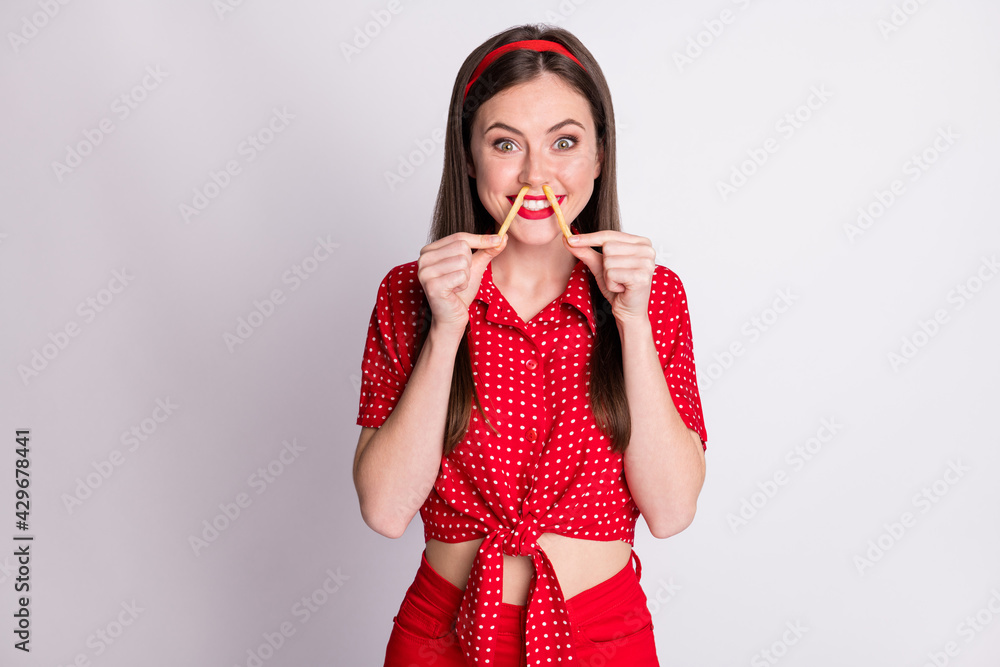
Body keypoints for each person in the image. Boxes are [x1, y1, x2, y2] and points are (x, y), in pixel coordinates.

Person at [353, 23, 707, 667]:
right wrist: (446, 330)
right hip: (443, 632)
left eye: (564, 143)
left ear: (600, 157)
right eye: (506, 144)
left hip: (601, 635)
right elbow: (384, 508)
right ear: (469, 157)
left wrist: (631, 322)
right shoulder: (411, 292)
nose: (537, 175)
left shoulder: (654, 295)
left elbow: (672, 508)